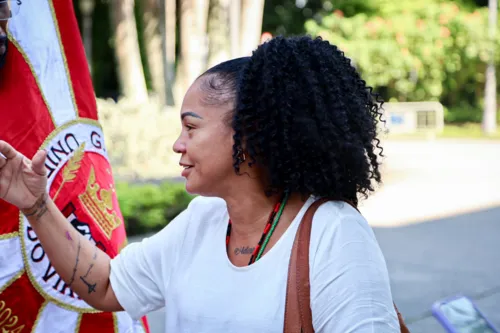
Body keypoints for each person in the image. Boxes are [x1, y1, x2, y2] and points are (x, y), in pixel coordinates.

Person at [0, 35, 400, 332]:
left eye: (191, 127)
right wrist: (37, 204)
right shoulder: (203, 219)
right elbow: (104, 285)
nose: (178, 144)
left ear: (251, 131)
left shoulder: (334, 231)